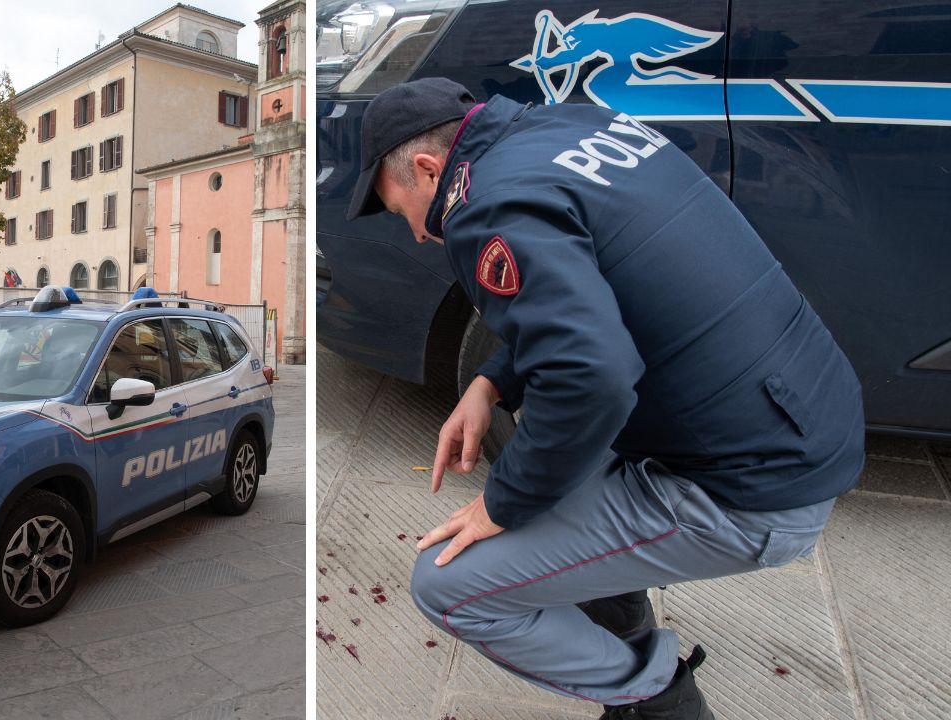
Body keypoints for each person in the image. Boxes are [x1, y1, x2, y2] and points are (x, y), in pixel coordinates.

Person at [344, 77, 865, 720]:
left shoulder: (486, 206)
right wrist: (491, 381)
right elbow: (597, 300)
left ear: (428, 167)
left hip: (753, 487)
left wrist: (500, 508)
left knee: (449, 587)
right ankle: (618, 613)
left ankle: (657, 698)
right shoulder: (577, 124)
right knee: (546, 440)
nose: (421, 236)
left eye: (404, 213)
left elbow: (593, 377)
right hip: (806, 410)